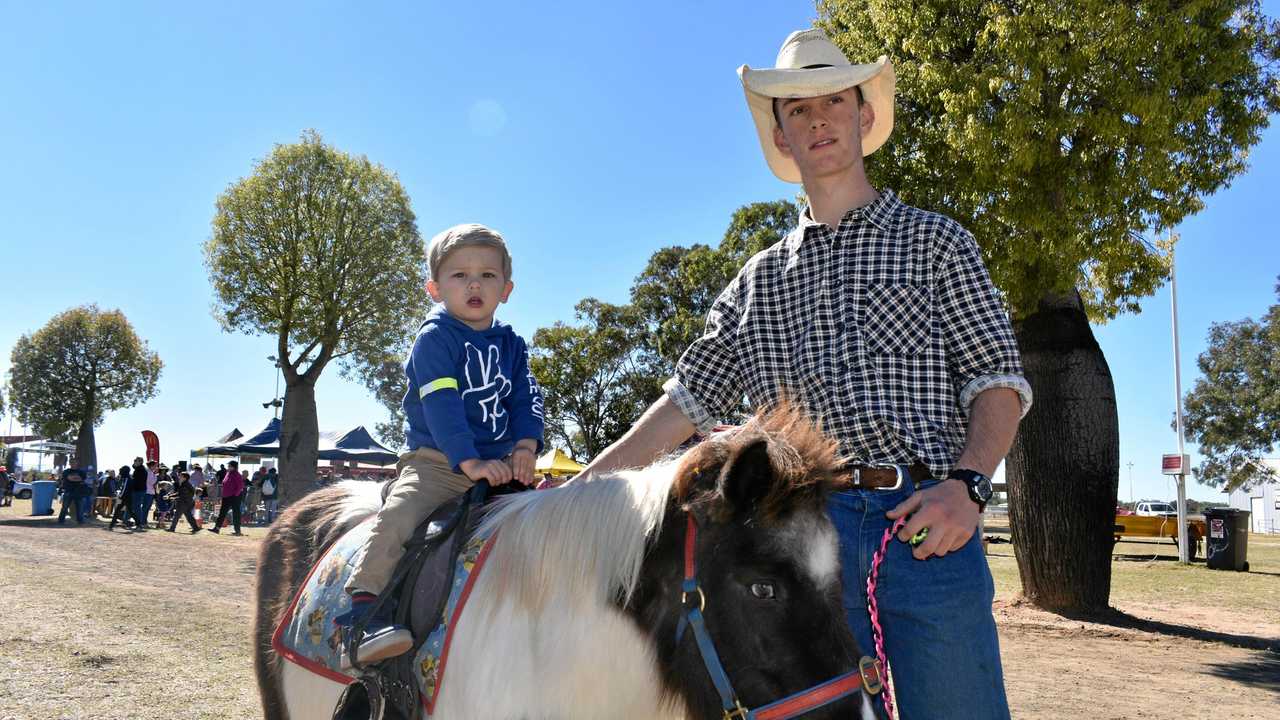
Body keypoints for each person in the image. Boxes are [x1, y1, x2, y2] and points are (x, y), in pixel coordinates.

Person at [576, 29, 1031, 719]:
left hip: (926, 527)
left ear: (864, 116)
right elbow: (685, 401)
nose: (818, 118)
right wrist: (583, 489)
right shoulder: (755, 282)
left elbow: (997, 380)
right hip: (796, 552)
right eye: (797, 109)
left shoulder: (939, 243)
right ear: (782, 138)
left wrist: (967, 487)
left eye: (834, 101)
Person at [334, 223, 545, 665]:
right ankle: (362, 613)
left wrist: (526, 447)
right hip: (436, 463)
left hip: (499, 464)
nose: (474, 283)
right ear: (435, 288)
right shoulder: (435, 338)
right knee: (400, 515)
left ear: (506, 289)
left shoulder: (513, 345)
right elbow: (442, 403)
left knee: (548, 521)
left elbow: (527, 397)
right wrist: (468, 460)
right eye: (459, 275)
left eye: (487, 275)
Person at [208, 460, 244, 535]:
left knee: (236, 513)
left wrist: (235, 495)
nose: (228, 467)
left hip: (234, 497)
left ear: (234, 467)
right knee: (222, 512)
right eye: (229, 466)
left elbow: (240, 486)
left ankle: (238, 531)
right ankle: (217, 528)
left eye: (230, 466)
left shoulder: (237, 474)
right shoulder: (228, 473)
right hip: (226, 496)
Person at [109, 465, 136, 530]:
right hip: (126, 497)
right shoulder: (127, 478)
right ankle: (111, 525)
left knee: (129, 511)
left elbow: (124, 489)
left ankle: (138, 523)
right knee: (122, 510)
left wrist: (120, 496)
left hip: (126, 498)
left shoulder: (127, 479)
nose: (120, 472)